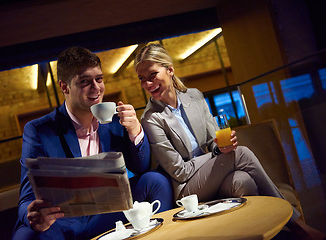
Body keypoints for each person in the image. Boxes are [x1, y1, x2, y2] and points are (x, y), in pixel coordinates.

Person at [134, 43, 326, 240]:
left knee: (243, 181)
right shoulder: (151, 118)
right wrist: (217, 153)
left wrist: (220, 146)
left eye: (152, 75)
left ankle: (260, 235)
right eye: (142, 79)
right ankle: (296, 224)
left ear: (170, 70)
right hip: (187, 189)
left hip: (215, 172)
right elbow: (179, 171)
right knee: (241, 153)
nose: (148, 83)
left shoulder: (195, 96)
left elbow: (213, 140)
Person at [12, 46, 173, 240]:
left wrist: (135, 131)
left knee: (156, 182)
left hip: (110, 210)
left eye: (99, 79)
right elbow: (26, 199)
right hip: (65, 220)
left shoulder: (115, 121)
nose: (96, 88)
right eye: (85, 82)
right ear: (65, 87)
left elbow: (141, 166)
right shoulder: (39, 130)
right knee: (25, 236)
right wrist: (33, 216)